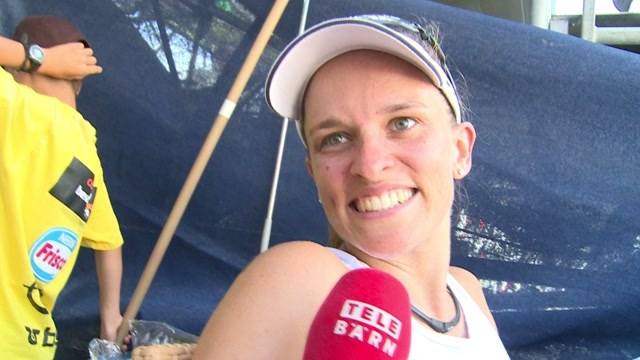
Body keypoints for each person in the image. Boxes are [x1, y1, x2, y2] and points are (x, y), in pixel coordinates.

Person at [193, 15, 509, 359]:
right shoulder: (299, 277)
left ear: (460, 150)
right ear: (314, 172)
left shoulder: (467, 294)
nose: (370, 167)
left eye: (402, 123)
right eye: (336, 138)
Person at [0, 15, 126, 359]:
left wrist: (34, 55)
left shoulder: (14, 106)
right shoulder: (86, 153)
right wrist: (110, 317)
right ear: (79, 84)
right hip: (32, 345)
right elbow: (109, 244)